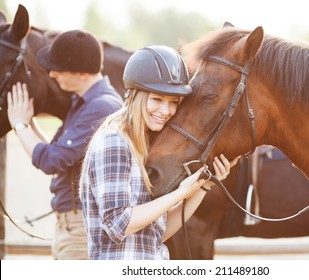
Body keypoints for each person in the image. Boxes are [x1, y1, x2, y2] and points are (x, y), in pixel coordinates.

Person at [79, 45, 239, 260]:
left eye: (173, 103)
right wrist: (180, 193)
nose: (166, 111)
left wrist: (205, 185)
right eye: (157, 99)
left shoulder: (144, 143)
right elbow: (118, 224)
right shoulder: (114, 142)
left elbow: (156, 235)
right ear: (134, 95)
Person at [6, 30, 123, 259]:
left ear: (80, 72)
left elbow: (52, 161)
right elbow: (55, 151)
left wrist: (19, 125)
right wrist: (29, 124)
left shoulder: (101, 107)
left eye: (57, 68)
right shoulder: (84, 103)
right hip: (71, 226)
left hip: (82, 228)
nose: (51, 74)